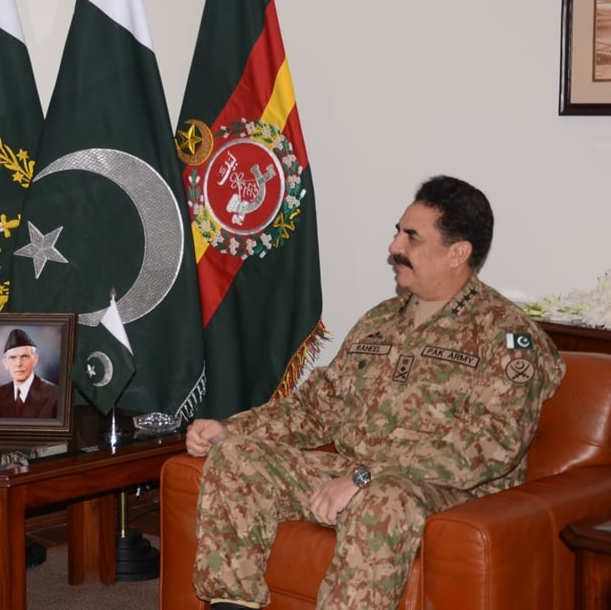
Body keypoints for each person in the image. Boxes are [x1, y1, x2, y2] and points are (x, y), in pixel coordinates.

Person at [185, 175, 565, 610]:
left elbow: (491, 445)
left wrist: (367, 476)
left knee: (384, 498)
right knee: (236, 456)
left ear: (458, 253)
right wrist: (230, 429)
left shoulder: (506, 335)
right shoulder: (380, 320)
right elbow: (316, 408)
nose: (394, 246)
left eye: (411, 237)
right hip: (354, 470)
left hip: (446, 492)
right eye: (398, 231)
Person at [0, 328, 59, 418]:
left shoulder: (53, 393)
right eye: (13, 357)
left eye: (24, 357)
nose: (18, 364)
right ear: (5, 363)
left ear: (35, 360)